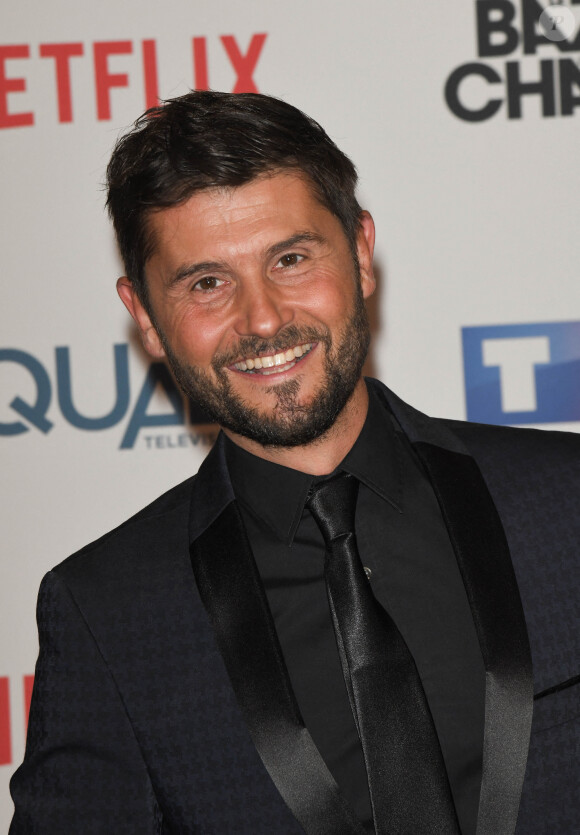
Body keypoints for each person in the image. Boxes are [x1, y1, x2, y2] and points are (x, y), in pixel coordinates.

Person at [9, 91, 579, 835]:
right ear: (146, 315)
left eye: (291, 257)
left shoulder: (564, 502)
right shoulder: (109, 613)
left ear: (361, 253)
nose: (265, 318)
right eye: (207, 282)